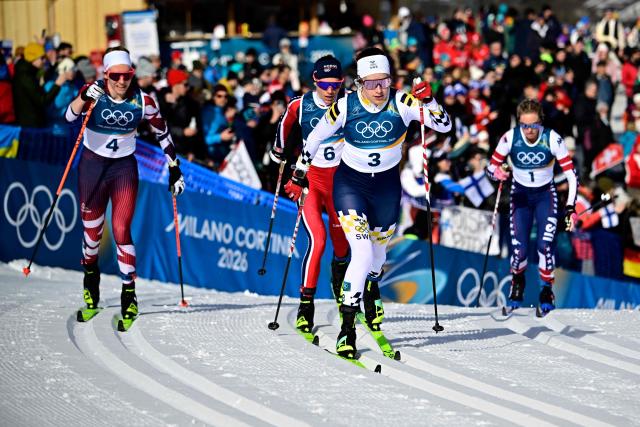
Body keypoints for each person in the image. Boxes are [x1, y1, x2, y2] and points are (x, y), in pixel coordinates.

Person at [287, 47, 451, 358]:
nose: (378, 90)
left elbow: (443, 126)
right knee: (360, 252)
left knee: (376, 256)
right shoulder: (346, 106)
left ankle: (372, 286)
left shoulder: (402, 101)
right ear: (359, 82)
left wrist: (429, 101)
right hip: (351, 186)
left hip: (387, 190)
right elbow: (315, 135)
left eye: (384, 82)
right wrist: (301, 169)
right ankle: (346, 331)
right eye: (371, 83)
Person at [65, 47, 185, 327]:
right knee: (92, 232)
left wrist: (174, 167)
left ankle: (129, 297)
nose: (121, 81)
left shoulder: (143, 101)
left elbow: (163, 133)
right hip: (92, 167)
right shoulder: (93, 93)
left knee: (121, 229)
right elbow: (69, 117)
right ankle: (91, 281)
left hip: (123, 169)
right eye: (115, 75)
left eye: (127, 75)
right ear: (106, 75)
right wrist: (82, 98)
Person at [270, 55, 350, 337]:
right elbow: (284, 125)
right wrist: (278, 152)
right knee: (318, 241)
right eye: (325, 84)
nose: (330, 91)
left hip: (342, 185)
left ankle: (340, 283)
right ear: (315, 81)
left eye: (336, 85)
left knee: (342, 246)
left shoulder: (348, 102)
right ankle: (306, 305)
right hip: (313, 184)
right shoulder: (300, 105)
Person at [486, 99, 578, 314]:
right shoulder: (510, 138)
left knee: (545, 246)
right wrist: (496, 173)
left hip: (545, 195)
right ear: (519, 123)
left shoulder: (552, 139)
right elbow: (490, 168)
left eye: (534, 125)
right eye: (525, 125)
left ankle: (547, 289)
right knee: (519, 250)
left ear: (541, 123)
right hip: (520, 195)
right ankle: (517, 281)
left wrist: (571, 207)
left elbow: (571, 176)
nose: (529, 130)